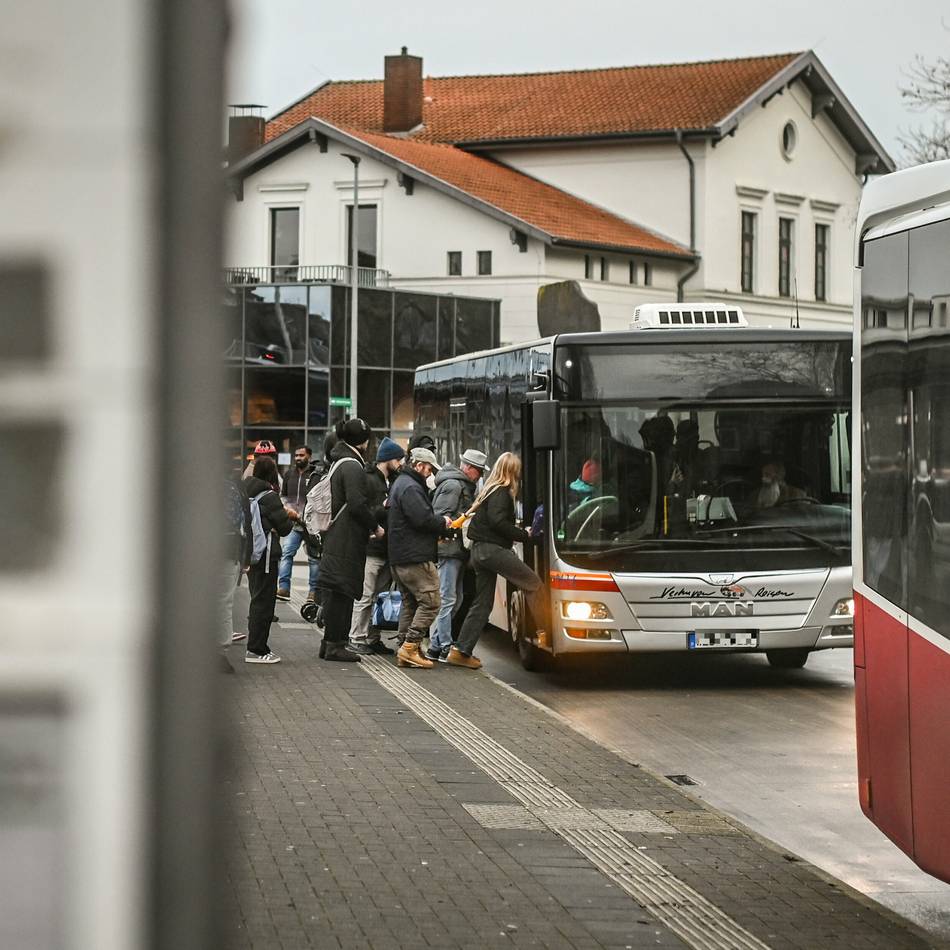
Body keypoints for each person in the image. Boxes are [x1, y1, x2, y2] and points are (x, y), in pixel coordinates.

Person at [451, 452, 543, 670]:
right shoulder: (502, 492)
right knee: (533, 583)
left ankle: (461, 651)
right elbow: (498, 522)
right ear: (512, 471)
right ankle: (546, 632)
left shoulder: (489, 490)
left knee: (482, 603)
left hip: (480, 553)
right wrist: (526, 535)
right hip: (492, 551)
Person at [316, 418, 382, 662]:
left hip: (336, 537)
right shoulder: (352, 466)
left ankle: (329, 644)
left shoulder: (339, 462)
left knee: (336, 592)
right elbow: (356, 504)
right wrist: (375, 526)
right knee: (342, 592)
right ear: (363, 441)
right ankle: (336, 644)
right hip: (346, 538)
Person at [388, 447, 452, 669]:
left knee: (411, 603)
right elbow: (422, 519)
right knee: (432, 602)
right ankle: (409, 647)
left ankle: (404, 647)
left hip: (399, 555)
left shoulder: (401, 483)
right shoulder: (411, 487)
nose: (431, 473)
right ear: (418, 465)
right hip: (414, 557)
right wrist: (442, 522)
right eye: (429, 468)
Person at [346, 437, 406, 655]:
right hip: (372, 549)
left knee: (378, 597)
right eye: (398, 458)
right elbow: (363, 511)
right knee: (365, 596)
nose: (400, 463)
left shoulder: (392, 480)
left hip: (387, 548)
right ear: (388, 459)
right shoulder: (370, 480)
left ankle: (372, 637)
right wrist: (382, 509)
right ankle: (356, 637)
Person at [428, 448, 487, 661]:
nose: (480, 475)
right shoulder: (454, 486)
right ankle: (444, 644)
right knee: (448, 598)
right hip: (450, 549)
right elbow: (439, 517)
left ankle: (435, 645)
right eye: (479, 471)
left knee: (456, 598)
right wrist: (460, 521)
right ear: (468, 468)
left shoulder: (461, 485)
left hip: (457, 550)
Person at [242, 455, 296, 664]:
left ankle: (255, 646)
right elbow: (285, 528)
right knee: (264, 603)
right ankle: (257, 649)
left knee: (256, 599)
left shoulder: (245, 489)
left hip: (250, 553)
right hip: (266, 554)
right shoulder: (269, 496)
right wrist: (286, 516)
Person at [276, 445, 321, 602]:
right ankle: (284, 588)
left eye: (301, 455)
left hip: (310, 524)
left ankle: (313, 592)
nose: (298, 458)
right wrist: (287, 509)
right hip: (293, 523)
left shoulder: (316, 475)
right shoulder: (289, 474)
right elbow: (283, 496)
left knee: (314, 559)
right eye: (296, 455)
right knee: (287, 553)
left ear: (309, 456)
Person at [220, 464, 252, 673]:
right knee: (223, 602)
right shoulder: (231, 490)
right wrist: (245, 558)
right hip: (226, 552)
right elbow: (241, 524)